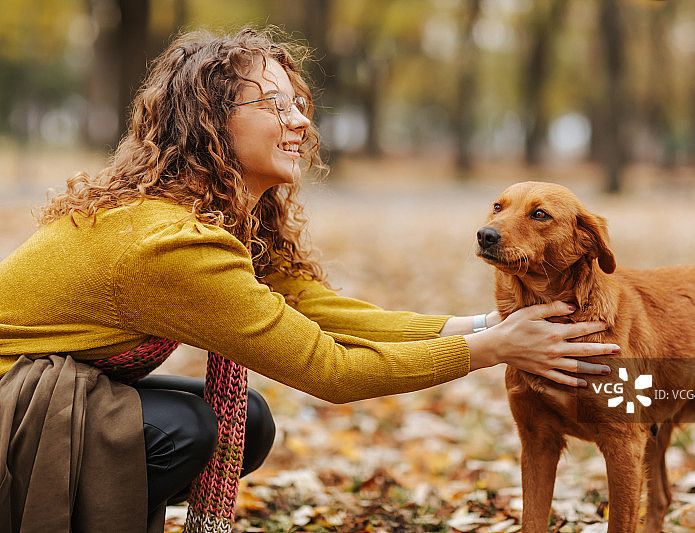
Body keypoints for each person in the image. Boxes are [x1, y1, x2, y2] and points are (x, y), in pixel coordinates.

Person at [0, 27, 619, 533]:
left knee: (245, 421)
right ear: (208, 120)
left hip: (56, 394)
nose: (298, 121)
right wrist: (491, 349)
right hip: (14, 414)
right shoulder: (171, 242)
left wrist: (487, 325)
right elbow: (330, 370)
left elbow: (321, 311)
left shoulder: (219, 217)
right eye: (273, 104)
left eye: (299, 104)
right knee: (191, 431)